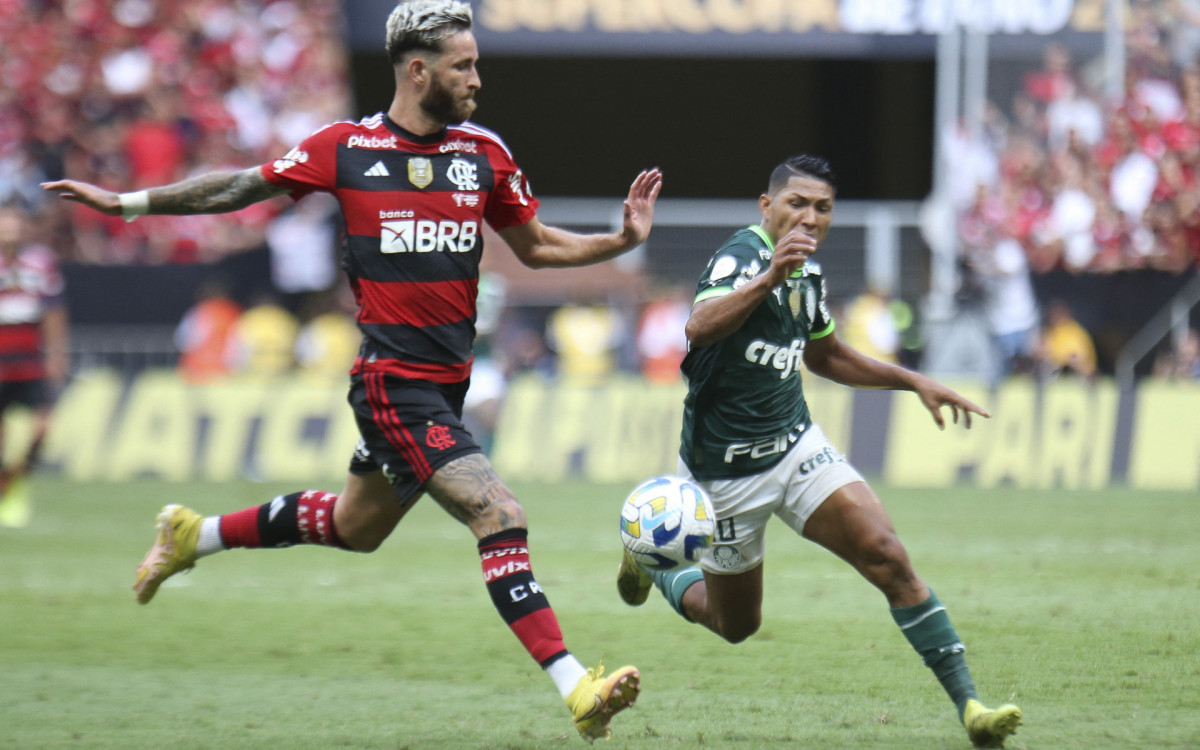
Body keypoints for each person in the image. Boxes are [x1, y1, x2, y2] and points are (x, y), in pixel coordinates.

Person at [42, 1, 661, 742]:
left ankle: (193, 535)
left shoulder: (482, 154)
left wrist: (618, 241)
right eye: (464, 65)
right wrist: (130, 202)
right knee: (500, 514)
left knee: (354, 526)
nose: (477, 79)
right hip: (391, 383)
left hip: (446, 385)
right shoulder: (347, 148)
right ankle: (577, 687)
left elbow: (535, 247)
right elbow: (241, 186)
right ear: (418, 70)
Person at [617, 156, 1022, 748]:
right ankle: (654, 565)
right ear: (767, 206)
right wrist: (767, 280)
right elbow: (699, 328)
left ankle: (971, 709)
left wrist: (914, 381)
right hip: (725, 475)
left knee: (887, 555)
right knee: (735, 626)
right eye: (797, 204)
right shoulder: (744, 256)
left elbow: (824, 356)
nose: (809, 217)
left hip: (796, 447)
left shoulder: (806, 273)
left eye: (822, 208)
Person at [0, 203, 69, 529]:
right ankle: (5, 490)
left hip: (31, 359)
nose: (10, 227)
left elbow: (54, 311)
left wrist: (57, 354)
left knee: (43, 427)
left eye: (15, 220)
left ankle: (17, 481)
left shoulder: (41, 262)